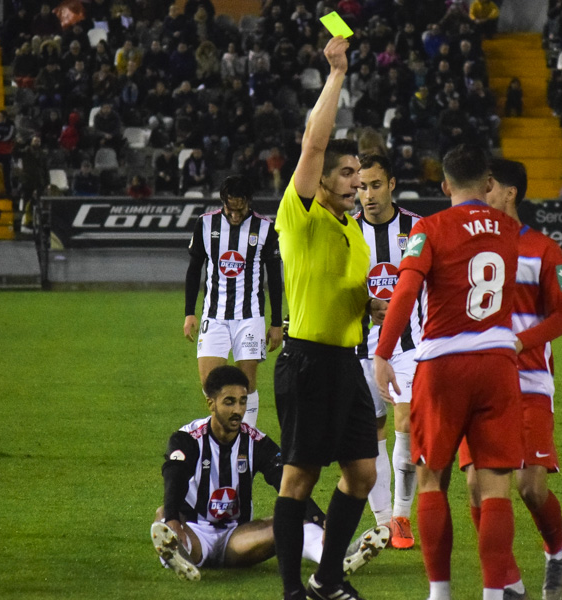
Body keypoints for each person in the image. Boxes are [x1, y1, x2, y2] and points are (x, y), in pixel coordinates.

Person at [374, 144, 527, 600]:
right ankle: (494, 595)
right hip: (499, 366)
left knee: (430, 477)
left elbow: (405, 290)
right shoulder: (510, 229)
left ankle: (439, 594)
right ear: (487, 184)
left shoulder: (429, 228)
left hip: (442, 366)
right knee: (496, 487)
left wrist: (384, 352)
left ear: (444, 186)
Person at [271, 36, 387, 600]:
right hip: (307, 362)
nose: (354, 182)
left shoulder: (355, 234)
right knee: (299, 479)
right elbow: (314, 141)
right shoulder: (300, 214)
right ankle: (293, 588)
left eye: (358, 175)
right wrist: (336, 72)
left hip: (347, 363)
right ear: (320, 178)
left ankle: (326, 577)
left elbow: (351, 295)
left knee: (362, 474)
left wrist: (371, 306)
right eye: (345, 173)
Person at [458, 159, 562, 600]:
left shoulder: (544, 249)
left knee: (530, 486)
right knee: (475, 484)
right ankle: (507, 580)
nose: (481, 194)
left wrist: (519, 342)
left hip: (529, 382)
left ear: (509, 192)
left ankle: (556, 552)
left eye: (488, 187)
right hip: (480, 382)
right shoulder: (471, 246)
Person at [150, 366, 386, 582]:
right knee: (163, 516)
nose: (238, 410)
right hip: (194, 530)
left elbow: (286, 481)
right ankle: (179, 555)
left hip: (237, 538)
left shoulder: (256, 442)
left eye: (242, 402)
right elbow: (175, 476)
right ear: (211, 403)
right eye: (229, 402)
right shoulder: (187, 438)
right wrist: (172, 518)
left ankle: (334, 556)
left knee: (290, 519)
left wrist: (321, 520)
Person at [353, 153, 422, 550]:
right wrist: (363, 304)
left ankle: (401, 514)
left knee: (406, 423)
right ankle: (382, 522)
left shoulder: (416, 229)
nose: (368, 195)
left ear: (392, 184)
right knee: (371, 433)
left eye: (375, 185)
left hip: (409, 345)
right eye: (361, 187)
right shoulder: (346, 231)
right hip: (359, 347)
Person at [183, 175, 283, 428]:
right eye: (230, 209)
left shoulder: (265, 228)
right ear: (223, 203)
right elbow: (194, 269)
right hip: (213, 316)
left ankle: (246, 441)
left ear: (249, 202)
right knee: (209, 384)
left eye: (241, 209)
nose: (235, 215)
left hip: (250, 318)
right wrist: (189, 312)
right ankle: (222, 433)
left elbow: (274, 277)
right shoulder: (206, 224)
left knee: (246, 384)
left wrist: (275, 322)